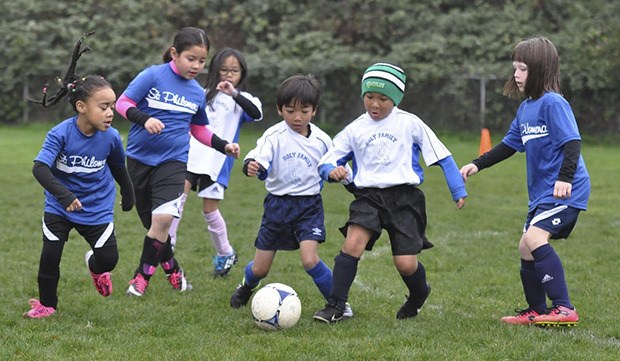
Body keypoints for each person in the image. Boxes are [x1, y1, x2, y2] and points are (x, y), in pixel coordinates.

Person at [313, 63, 467, 323]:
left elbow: (442, 156)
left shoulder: (410, 124)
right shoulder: (355, 129)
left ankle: (418, 294)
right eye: (369, 96)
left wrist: (457, 189)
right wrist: (331, 172)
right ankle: (336, 305)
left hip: (405, 199)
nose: (375, 104)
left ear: (395, 98)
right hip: (368, 198)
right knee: (351, 245)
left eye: (383, 98)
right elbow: (326, 160)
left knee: (405, 263)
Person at [460, 36, 590, 327]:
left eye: (522, 69)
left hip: (565, 189)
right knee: (525, 246)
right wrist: (477, 164)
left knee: (534, 239)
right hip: (543, 193)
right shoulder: (526, 109)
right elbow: (509, 145)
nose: (516, 75)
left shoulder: (553, 103)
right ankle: (535, 309)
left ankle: (564, 308)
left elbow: (572, 142)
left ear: (540, 70)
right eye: (515, 68)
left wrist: (564, 178)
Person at [115, 27, 240, 297]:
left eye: (202, 60)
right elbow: (122, 103)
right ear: (174, 53)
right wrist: (145, 119)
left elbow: (199, 130)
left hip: (173, 162)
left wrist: (223, 145)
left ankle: (140, 278)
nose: (196, 66)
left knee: (162, 221)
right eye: (191, 58)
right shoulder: (153, 75)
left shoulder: (196, 93)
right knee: (154, 228)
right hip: (138, 160)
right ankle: (173, 270)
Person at [24, 33, 135, 318]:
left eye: (112, 106)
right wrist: (65, 195)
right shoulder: (60, 134)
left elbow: (119, 167)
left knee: (109, 259)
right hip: (59, 206)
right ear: (81, 107)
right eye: (104, 107)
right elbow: (40, 168)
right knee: (50, 257)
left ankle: (96, 270)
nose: (111, 113)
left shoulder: (110, 137)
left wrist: (128, 192)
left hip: (96, 206)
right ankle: (47, 305)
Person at [229, 74, 352, 318]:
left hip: (309, 206)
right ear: (279, 109)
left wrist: (340, 174)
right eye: (290, 110)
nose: (297, 117)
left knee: (309, 259)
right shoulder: (273, 136)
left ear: (314, 111)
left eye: (304, 111)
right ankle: (247, 285)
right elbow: (258, 158)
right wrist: (253, 166)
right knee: (261, 268)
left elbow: (333, 166)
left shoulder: (322, 140)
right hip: (277, 206)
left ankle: (338, 304)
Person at [168, 48, 263, 277]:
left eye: (234, 71)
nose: (229, 75)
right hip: (190, 157)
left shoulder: (243, 99)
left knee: (209, 210)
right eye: (224, 70)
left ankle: (225, 253)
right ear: (215, 71)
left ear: (242, 73)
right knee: (175, 203)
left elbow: (257, 114)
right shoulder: (201, 93)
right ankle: (165, 250)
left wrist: (234, 94)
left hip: (218, 162)